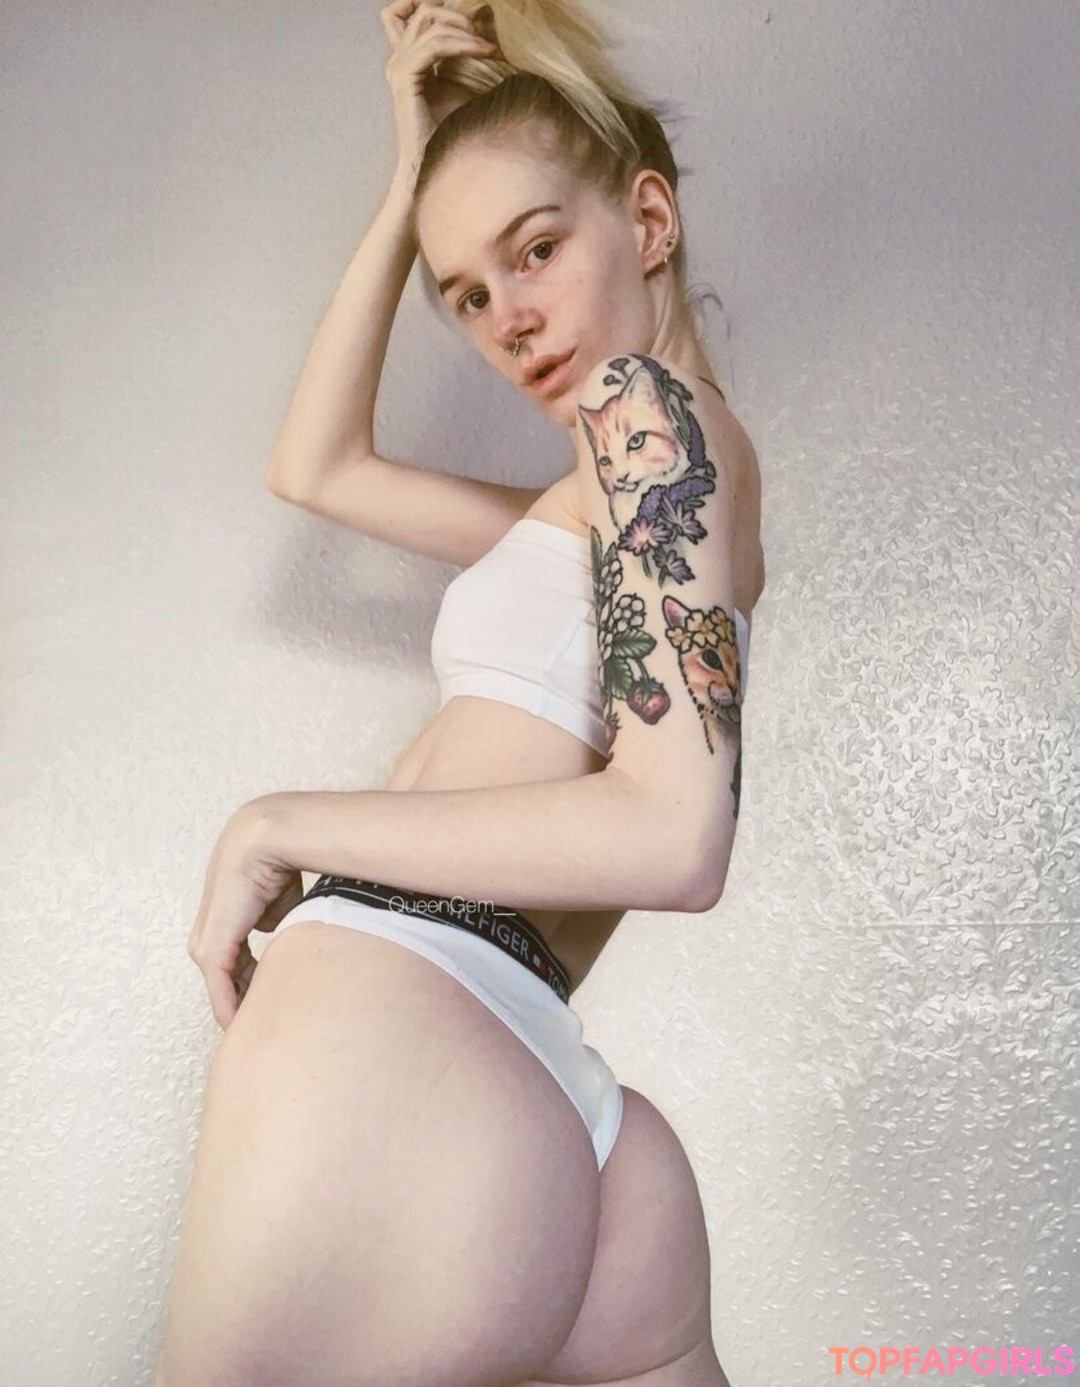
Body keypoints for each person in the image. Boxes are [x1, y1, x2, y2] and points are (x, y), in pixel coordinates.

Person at [156, 1, 764, 1384]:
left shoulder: (643, 421)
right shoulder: (623, 496)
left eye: (536, 250)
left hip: (409, 1030)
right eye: (469, 297)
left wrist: (277, 823)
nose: (510, 320)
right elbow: (318, 468)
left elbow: (675, 836)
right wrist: (408, 178)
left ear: (649, 220)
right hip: (542, 1090)